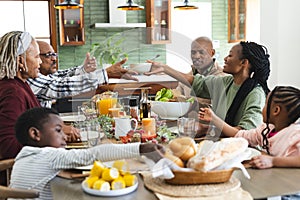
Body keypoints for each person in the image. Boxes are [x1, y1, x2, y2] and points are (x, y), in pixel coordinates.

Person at [9, 107, 165, 199]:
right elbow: (91, 155)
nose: (65, 136)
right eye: (58, 131)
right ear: (35, 134)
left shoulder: (25, 155)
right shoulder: (48, 156)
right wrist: (141, 148)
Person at [146, 41, 271, 137]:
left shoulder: (255, 94)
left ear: (244, 63)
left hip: (247, 152)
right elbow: (196, 82)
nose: (225, 59)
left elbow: (245, 134)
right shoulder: (228, 82)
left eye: (230, 55)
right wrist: (165, 68)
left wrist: (212, 121)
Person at [199, 86, 300, 169]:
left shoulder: (295, 133)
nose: (262, 108)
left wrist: (273, 161)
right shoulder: (266, 129)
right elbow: (239, 135)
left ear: (276, 111)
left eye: (265, 104)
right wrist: (214, 118)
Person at [28, 41, 138, 108]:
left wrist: (83, 70)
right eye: (48, 55)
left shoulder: (43, 76)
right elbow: (59, 85)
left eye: (54, 54)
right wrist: (105, 73)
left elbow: (58, 76)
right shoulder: (31, 79)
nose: (54, 59)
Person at [176, 36, 224, 102]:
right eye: (193, 52)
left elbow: (219, 105)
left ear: (212, 53)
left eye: (202, 52)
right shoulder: (187, 76)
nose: (197, 56)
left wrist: (186, 101)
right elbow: (177, 97)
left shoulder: (223, 76)